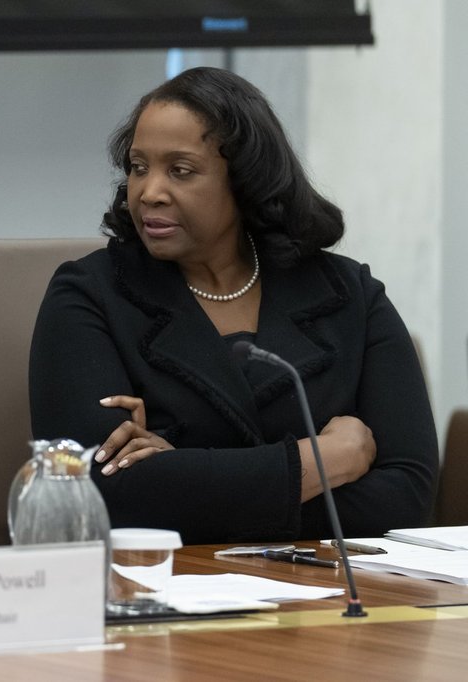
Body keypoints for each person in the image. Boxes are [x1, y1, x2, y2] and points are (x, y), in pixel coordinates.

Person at [29, 67, 438, 544]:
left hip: (339, 591)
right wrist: (325, 461)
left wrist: (183, 479)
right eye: (139, 167)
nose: (149, 192)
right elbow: (97, 496)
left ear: (245, 181)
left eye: (179, 171)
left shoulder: (349, 294)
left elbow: (409, 494)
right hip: (167, 592)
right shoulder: (89, 295)